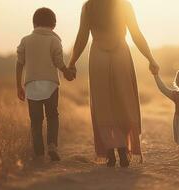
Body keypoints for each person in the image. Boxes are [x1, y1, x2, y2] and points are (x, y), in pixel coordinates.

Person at [67, 0, 159, 167]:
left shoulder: (89, 6)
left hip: (98, 57)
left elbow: (82, 36)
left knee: (103, 105)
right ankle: (123, 150)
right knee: (123, 103)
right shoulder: (124, 5)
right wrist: (150, 58)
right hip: (120, 55)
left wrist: (72, 62)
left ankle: (110, 153)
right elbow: (136, 34)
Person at [15, 7, 75, 162]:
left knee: (36, 120)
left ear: (34, 23)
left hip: (31, 85)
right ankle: (52, 145)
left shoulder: (25, 40)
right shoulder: (54, 40)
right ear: (53, 24)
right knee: (52, 116)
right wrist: (66, 72)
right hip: (50, 85)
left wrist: (18, 86)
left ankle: (39, 152)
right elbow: (58, 62)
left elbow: (19, 63)